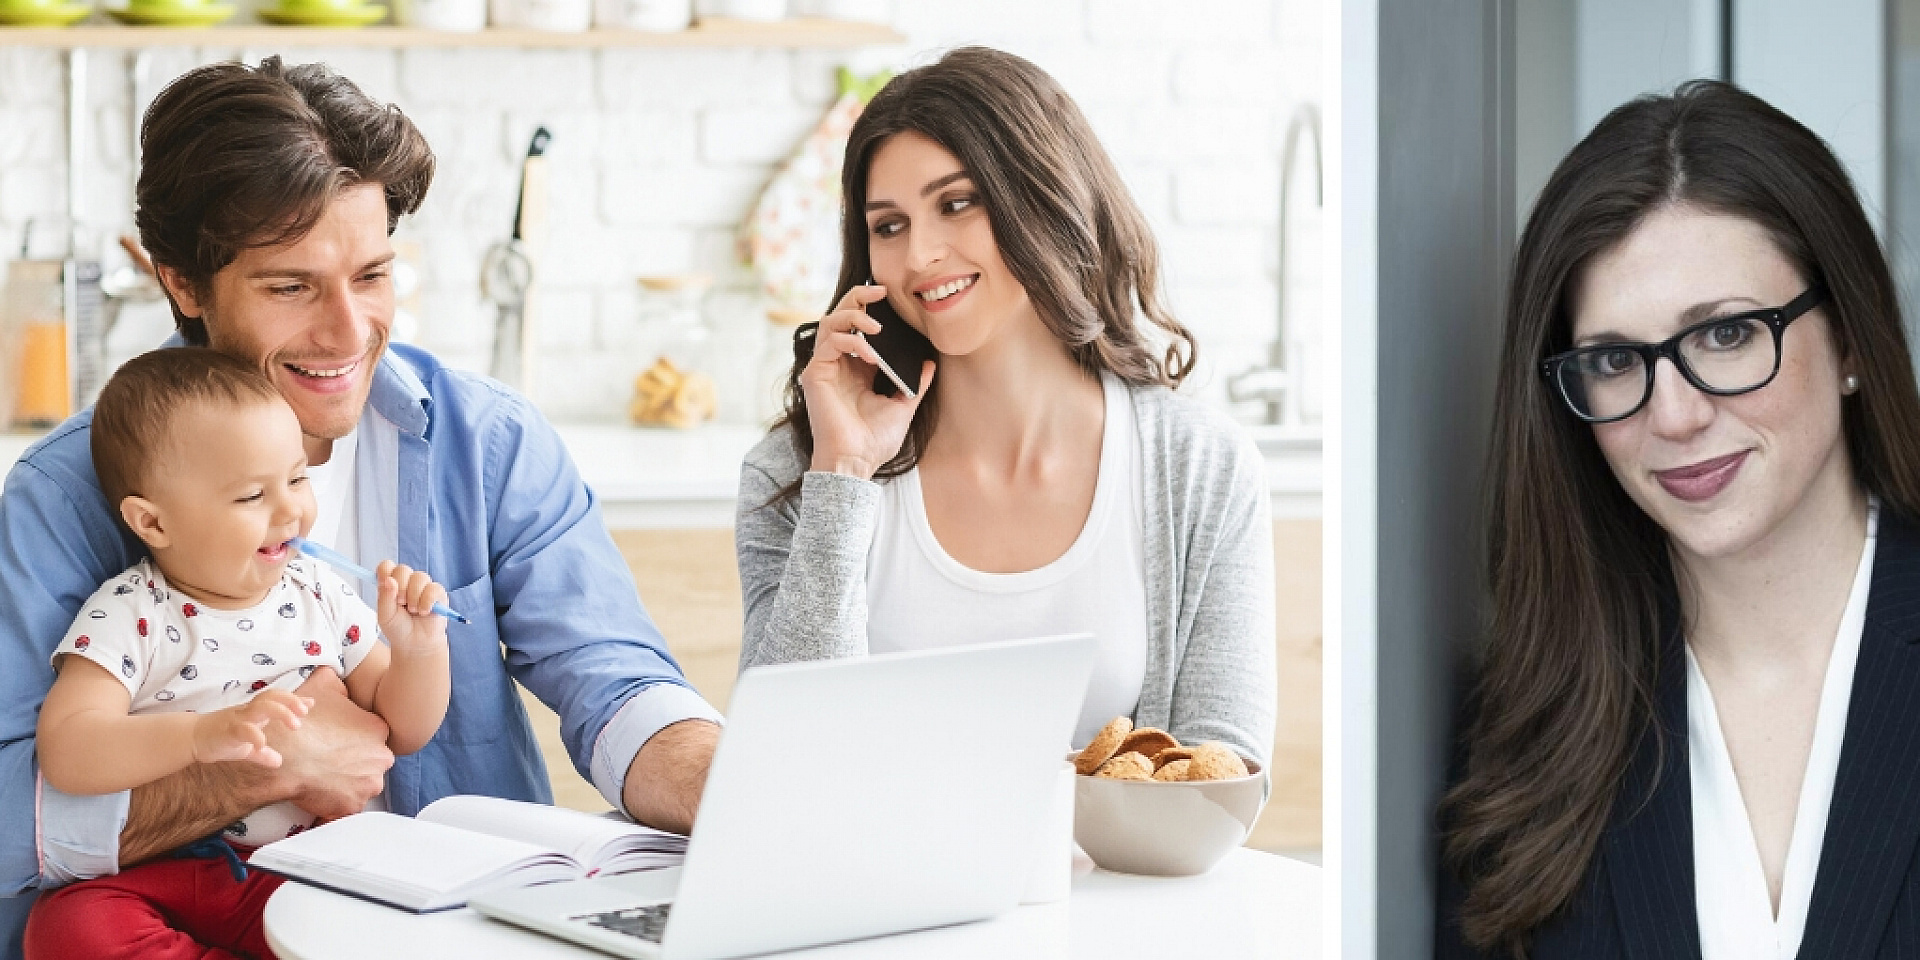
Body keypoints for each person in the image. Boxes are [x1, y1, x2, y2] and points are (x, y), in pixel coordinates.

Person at [0, 57, 722, 956]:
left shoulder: (488, 443)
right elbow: (9, 813)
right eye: (291, 286)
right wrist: (257, 767)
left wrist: (725, 783)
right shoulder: (69, 493)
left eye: (373, 275)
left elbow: (613, 679)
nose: (349, 334)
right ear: (182, 283)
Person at [1438, 81, 1920, 958]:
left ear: (1848, 336)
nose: (1674, 416)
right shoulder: (1522, 735)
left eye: (1727, 336)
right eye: (1616, 359)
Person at [734, 46, 1276, 762]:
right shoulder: (801, 469)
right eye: (888, 226)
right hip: (869, 880)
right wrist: (843, 476)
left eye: (957, 204)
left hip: (1113, 879)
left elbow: (1220, 774)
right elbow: (779, 762)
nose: (920, 254)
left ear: (1044, 196)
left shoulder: (1200, 466)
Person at [24, 348, 454, 959]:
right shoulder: (128, 612)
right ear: (153, 523)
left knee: (372, 923)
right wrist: (200, 738)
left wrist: (419, 651)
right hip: (152, 867)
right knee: (66, 928)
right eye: (253, 495)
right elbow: (69, 749)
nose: (290, 510)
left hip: (298, 866)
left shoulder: (321, 595)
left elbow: (401, 729)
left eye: (298, 478)